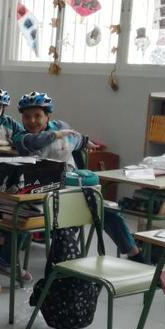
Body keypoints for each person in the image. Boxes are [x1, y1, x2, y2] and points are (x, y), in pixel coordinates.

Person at [11, 91, 144, 262]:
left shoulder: (60, 127)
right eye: (27, 117)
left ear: (48, 116)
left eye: (38, 116)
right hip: (42, 197)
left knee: (109, 212)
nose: (32, 121)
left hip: (71, 190)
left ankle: (135, 254)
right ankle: (17, 258)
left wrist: (86, 141)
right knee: (34, 219)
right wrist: (56, 135)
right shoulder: (22, 137)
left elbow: (77, 138)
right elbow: (36, 142)